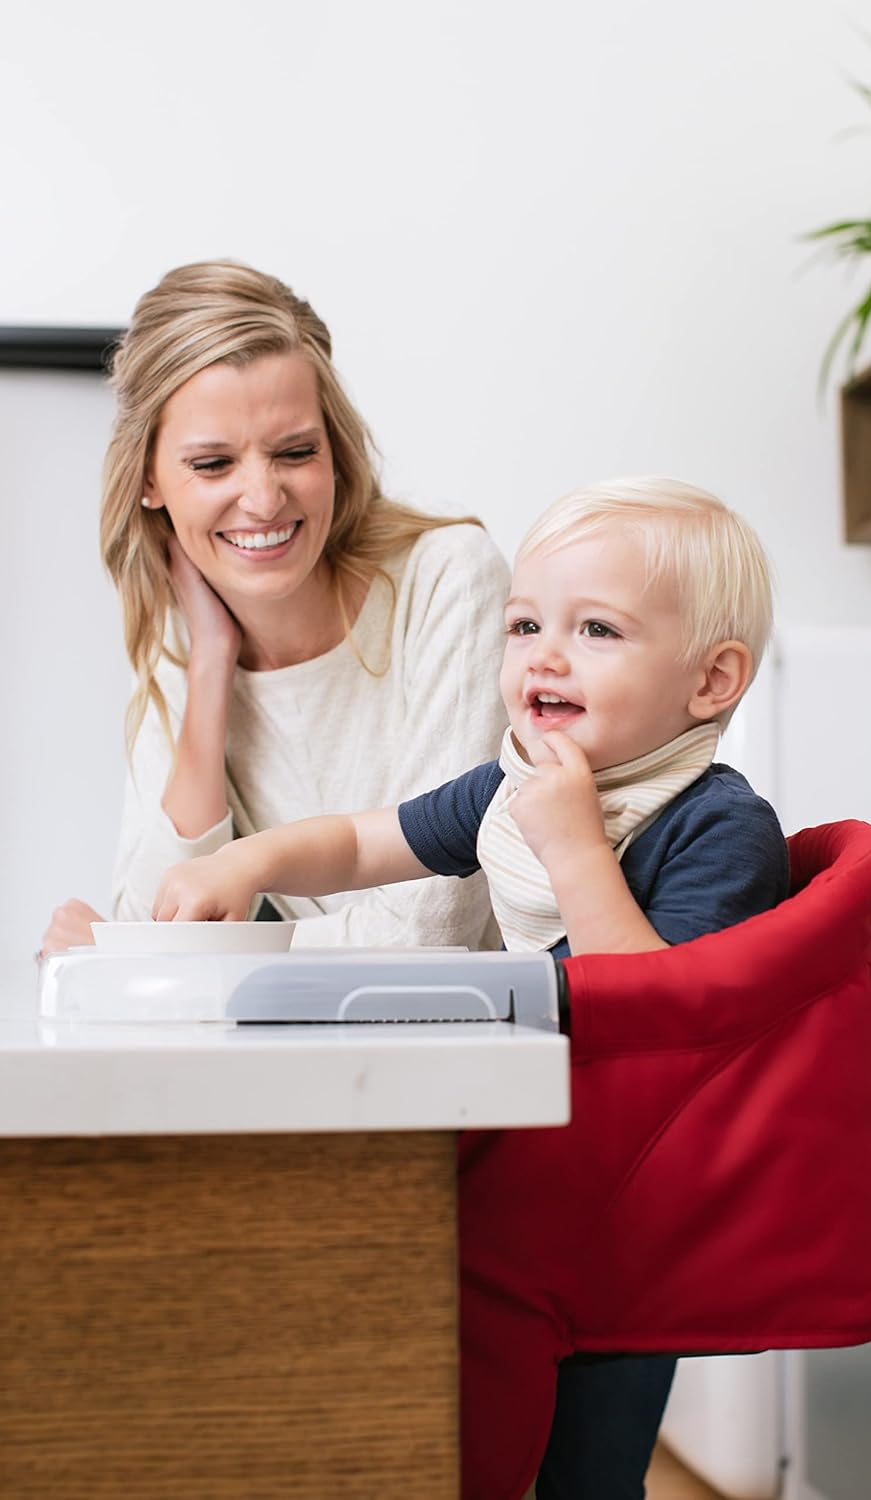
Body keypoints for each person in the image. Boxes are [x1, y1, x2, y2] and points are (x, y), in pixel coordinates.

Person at [152, 474, 790, 1499]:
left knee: (587, 1472)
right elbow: (369, 840)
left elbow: (655, 1017)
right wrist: (251, 862)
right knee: (469, 1441)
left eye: (596, 630)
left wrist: (576, 849)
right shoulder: (512, 784)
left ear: (710, 683)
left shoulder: (719, 828)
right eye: (525, 623)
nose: (543, 654)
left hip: (628, 1221)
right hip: (528, 1176)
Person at [40, 259, 510, 957]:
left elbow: (435, 930)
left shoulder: (448, 578)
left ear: (336, 453)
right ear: (147, 480)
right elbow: (150, 914)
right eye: (212, 465)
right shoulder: (187, 630)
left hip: (483, 1041)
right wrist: (210, 669)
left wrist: (177, 955)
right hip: (309, 1045)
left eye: (294, 452)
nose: (263, 499)